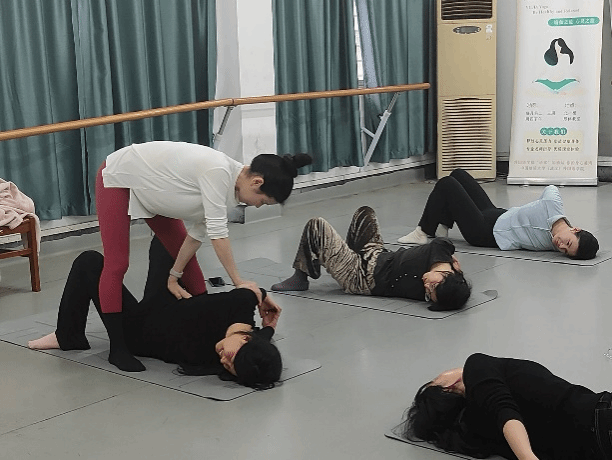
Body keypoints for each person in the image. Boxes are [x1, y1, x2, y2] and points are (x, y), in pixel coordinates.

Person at [96, 141, 311, 371]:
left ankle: (211, 332)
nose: (258, 206)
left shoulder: (232, 188)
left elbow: (196, 235)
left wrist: (174, 275)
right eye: (263, 201)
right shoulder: (217, 171)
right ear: (256, 182)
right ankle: (118, 348)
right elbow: (218, 235)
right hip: (119, 176)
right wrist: (238, 281)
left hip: (155, 192)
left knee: (193, 275)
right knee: (117, 263)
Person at [28, 237, 283, 387]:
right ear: (247, 338)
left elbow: (253, 330)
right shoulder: (242, 305)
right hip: (164, 301)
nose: (224, 361)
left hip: (138, 330)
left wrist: (259, 299)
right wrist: (265, 308)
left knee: (89, 261)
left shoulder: (207, 357)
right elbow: (254, 300)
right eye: (231, 358)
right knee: (167, 237)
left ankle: (68, 336)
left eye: (229, 368)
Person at [402, 352, 612, 460]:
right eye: (434, 380)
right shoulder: (476, 368)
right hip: (598, 417)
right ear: (447, 389)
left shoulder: (478, 428)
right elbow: (506, 414)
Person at [271, 206, 471, 311]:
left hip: (360, 277)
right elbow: (442, 243)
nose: (426, 287)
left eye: (429, 295)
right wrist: (450, 263)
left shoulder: (426, 281)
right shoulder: (443, 261)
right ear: (448, 275)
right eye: (433, 287)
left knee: (316, 226)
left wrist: (448, 264)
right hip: (376, 255)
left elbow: (440, 246)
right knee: (365, 212)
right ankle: (343, 257)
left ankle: (301, 277)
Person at [397, 168, 598, 260]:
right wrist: (545, 208)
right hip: (496, 214)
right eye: (568, 243)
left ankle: (423, 231)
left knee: (447, 184)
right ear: (575, 229)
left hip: (484, 232)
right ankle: (443, 225)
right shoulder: (553, 207)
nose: (560, 246)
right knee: (458, 174)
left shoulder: (546, 242)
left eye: (565, 251)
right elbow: (551, 188)